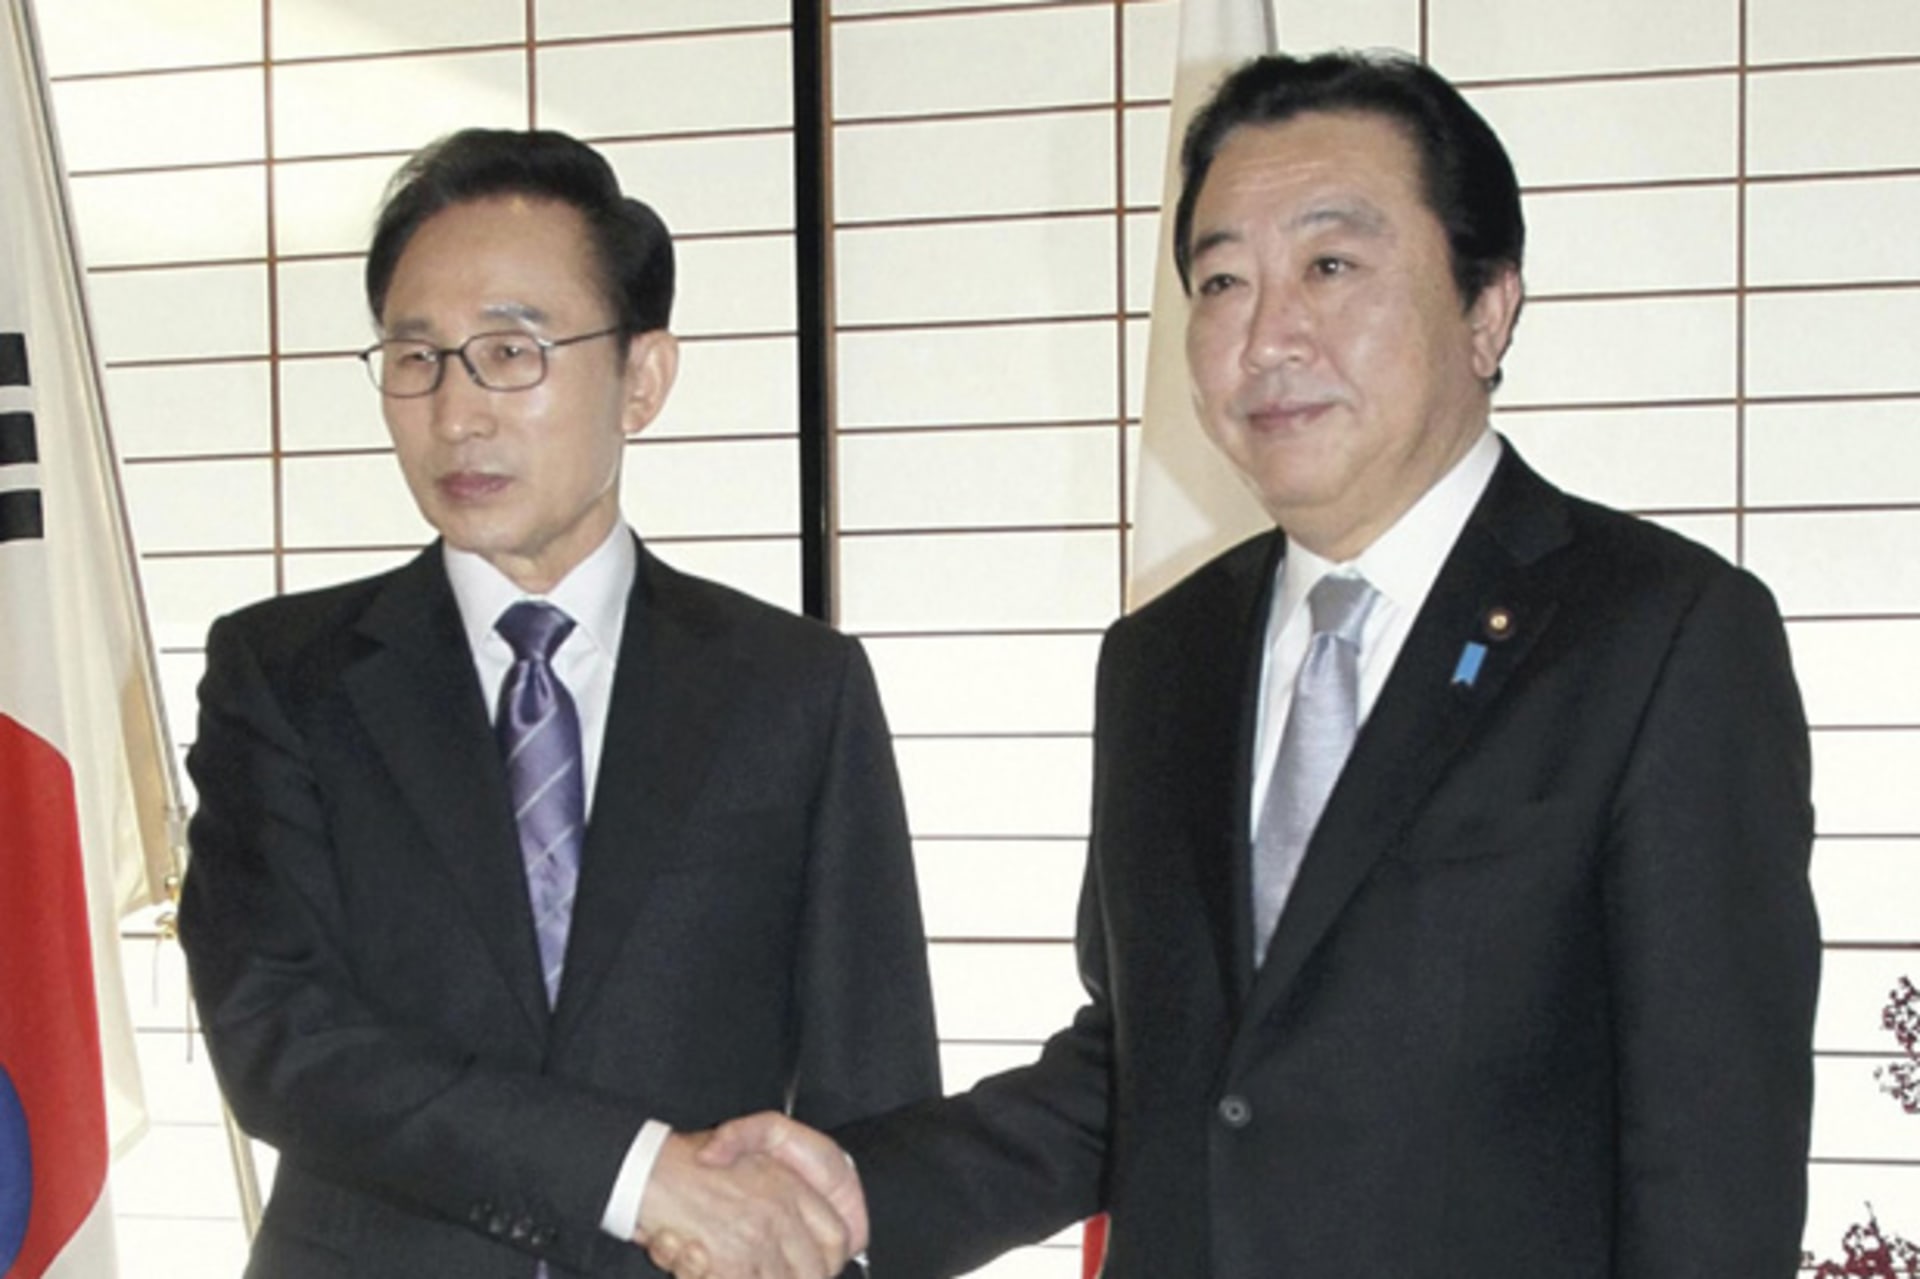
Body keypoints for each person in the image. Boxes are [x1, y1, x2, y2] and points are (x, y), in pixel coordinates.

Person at [665, 50, 1821, 1278]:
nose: (1268, 336)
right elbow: (1154, 1067)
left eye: (1330, 266)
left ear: (1487, 307)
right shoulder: (1163, 658)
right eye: (1222, 281)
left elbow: (1714, 1161)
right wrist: (863, 1193)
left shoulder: (1663, 634)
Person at [177, 127, 939, 1279]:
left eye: (511, 352)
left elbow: (872, 1090)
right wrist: (635, 1174)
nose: (457, 413)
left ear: (642, 377)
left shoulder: (795, 687)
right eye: (416, 356)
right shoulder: (285, 674)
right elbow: (279, 1037)